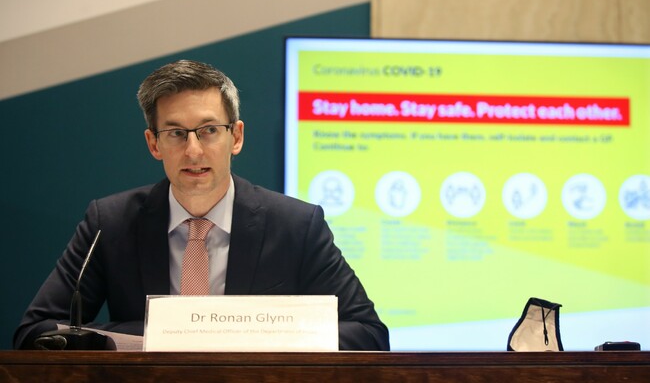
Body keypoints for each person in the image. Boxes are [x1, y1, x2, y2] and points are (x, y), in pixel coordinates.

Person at [14, 59, 389, 351]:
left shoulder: (296, 225)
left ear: (236, 137)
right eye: (176, 133)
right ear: (154, 143)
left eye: (209, 130)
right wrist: (167, 331)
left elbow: (368, 334)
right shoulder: (110, 223)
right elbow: (35, 331)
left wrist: (259, 334)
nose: (193, 151)